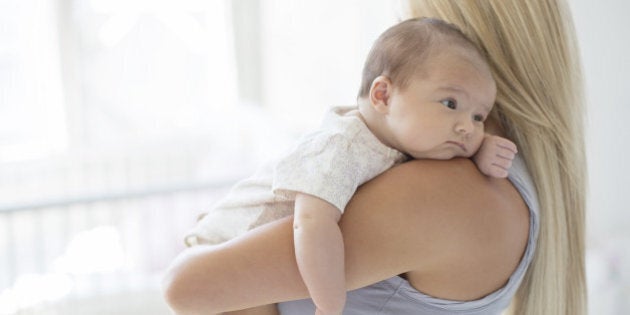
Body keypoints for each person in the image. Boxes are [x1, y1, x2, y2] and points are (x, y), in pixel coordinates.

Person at [162, 0, 586, 314]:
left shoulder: (443, 191)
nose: (469, 130)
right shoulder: (512, 183)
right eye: (452, 107)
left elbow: (183, 287)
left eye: (477, 115)